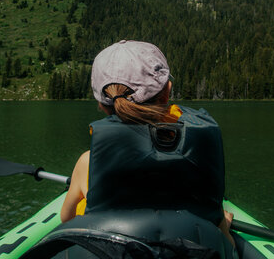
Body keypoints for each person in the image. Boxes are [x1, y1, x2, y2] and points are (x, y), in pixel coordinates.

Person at [60, 40, 235, 247]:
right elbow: (227, 244)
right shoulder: (200, 156)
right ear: (167, 91)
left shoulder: (88, 163)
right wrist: (219, 221)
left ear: (101, 103)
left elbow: (66, 219)